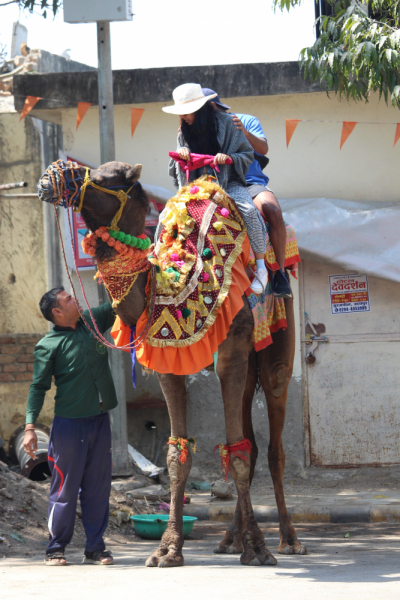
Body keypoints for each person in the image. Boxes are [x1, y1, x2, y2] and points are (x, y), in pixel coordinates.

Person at [23, 287, 117, 566]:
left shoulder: (93, 321)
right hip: (69, 426)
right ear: (57, 312)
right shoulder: (47, 345)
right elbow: (37, 388)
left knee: (98, 487)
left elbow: (118, 303)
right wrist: (29, 427)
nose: (74, 299)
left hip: (100, 422)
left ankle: (95, 548)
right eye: (68, 299)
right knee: (64, 487)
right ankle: (55, 548)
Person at [163, 83, 269, 294]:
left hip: (229, 184)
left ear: (199, 109)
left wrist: (228, 158)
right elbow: (176, 164)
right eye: (180, 113)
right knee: (167, 216)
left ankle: (261, 267)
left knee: (249, 211)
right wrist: (182, 153)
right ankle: (167, 266)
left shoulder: (228, 123)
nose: (183, 117)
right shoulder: (182, 131)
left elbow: (247, 155)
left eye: (186, 113)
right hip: (196, 186)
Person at [202, 88, 292, 298]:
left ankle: (278, 274)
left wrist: (243, 132)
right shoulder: (198, 127)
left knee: (272, 210)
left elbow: (263, 148)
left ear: (214, 107)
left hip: (248, 182)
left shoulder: (244, 120)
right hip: (214, 185)